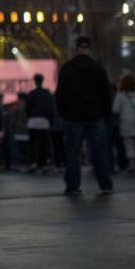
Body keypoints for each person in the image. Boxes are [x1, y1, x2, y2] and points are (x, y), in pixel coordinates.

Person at [55, 36, 114, 196]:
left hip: (73, 118)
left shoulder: (67, 68)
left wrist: (63, 113)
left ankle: (73, 186)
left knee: (73, 153)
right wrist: (106, 114)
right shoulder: (98, 67)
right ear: (89, 49)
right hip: (95, 116)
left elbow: (60, 94)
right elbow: (106, 94)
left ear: (76, 49)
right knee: (100, 152)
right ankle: (105, 185)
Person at [25, 74, 56, 173]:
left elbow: (27, 108)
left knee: (32, 144)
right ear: (42, 81)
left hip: (33, 121)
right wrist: (51, 121)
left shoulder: (31, 93)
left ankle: (33, 163)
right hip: (44, 122)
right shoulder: (47, 93)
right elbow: (52, 108)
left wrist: (30, 117)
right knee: (44, 144)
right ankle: (43, 164)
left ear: (35, 81)